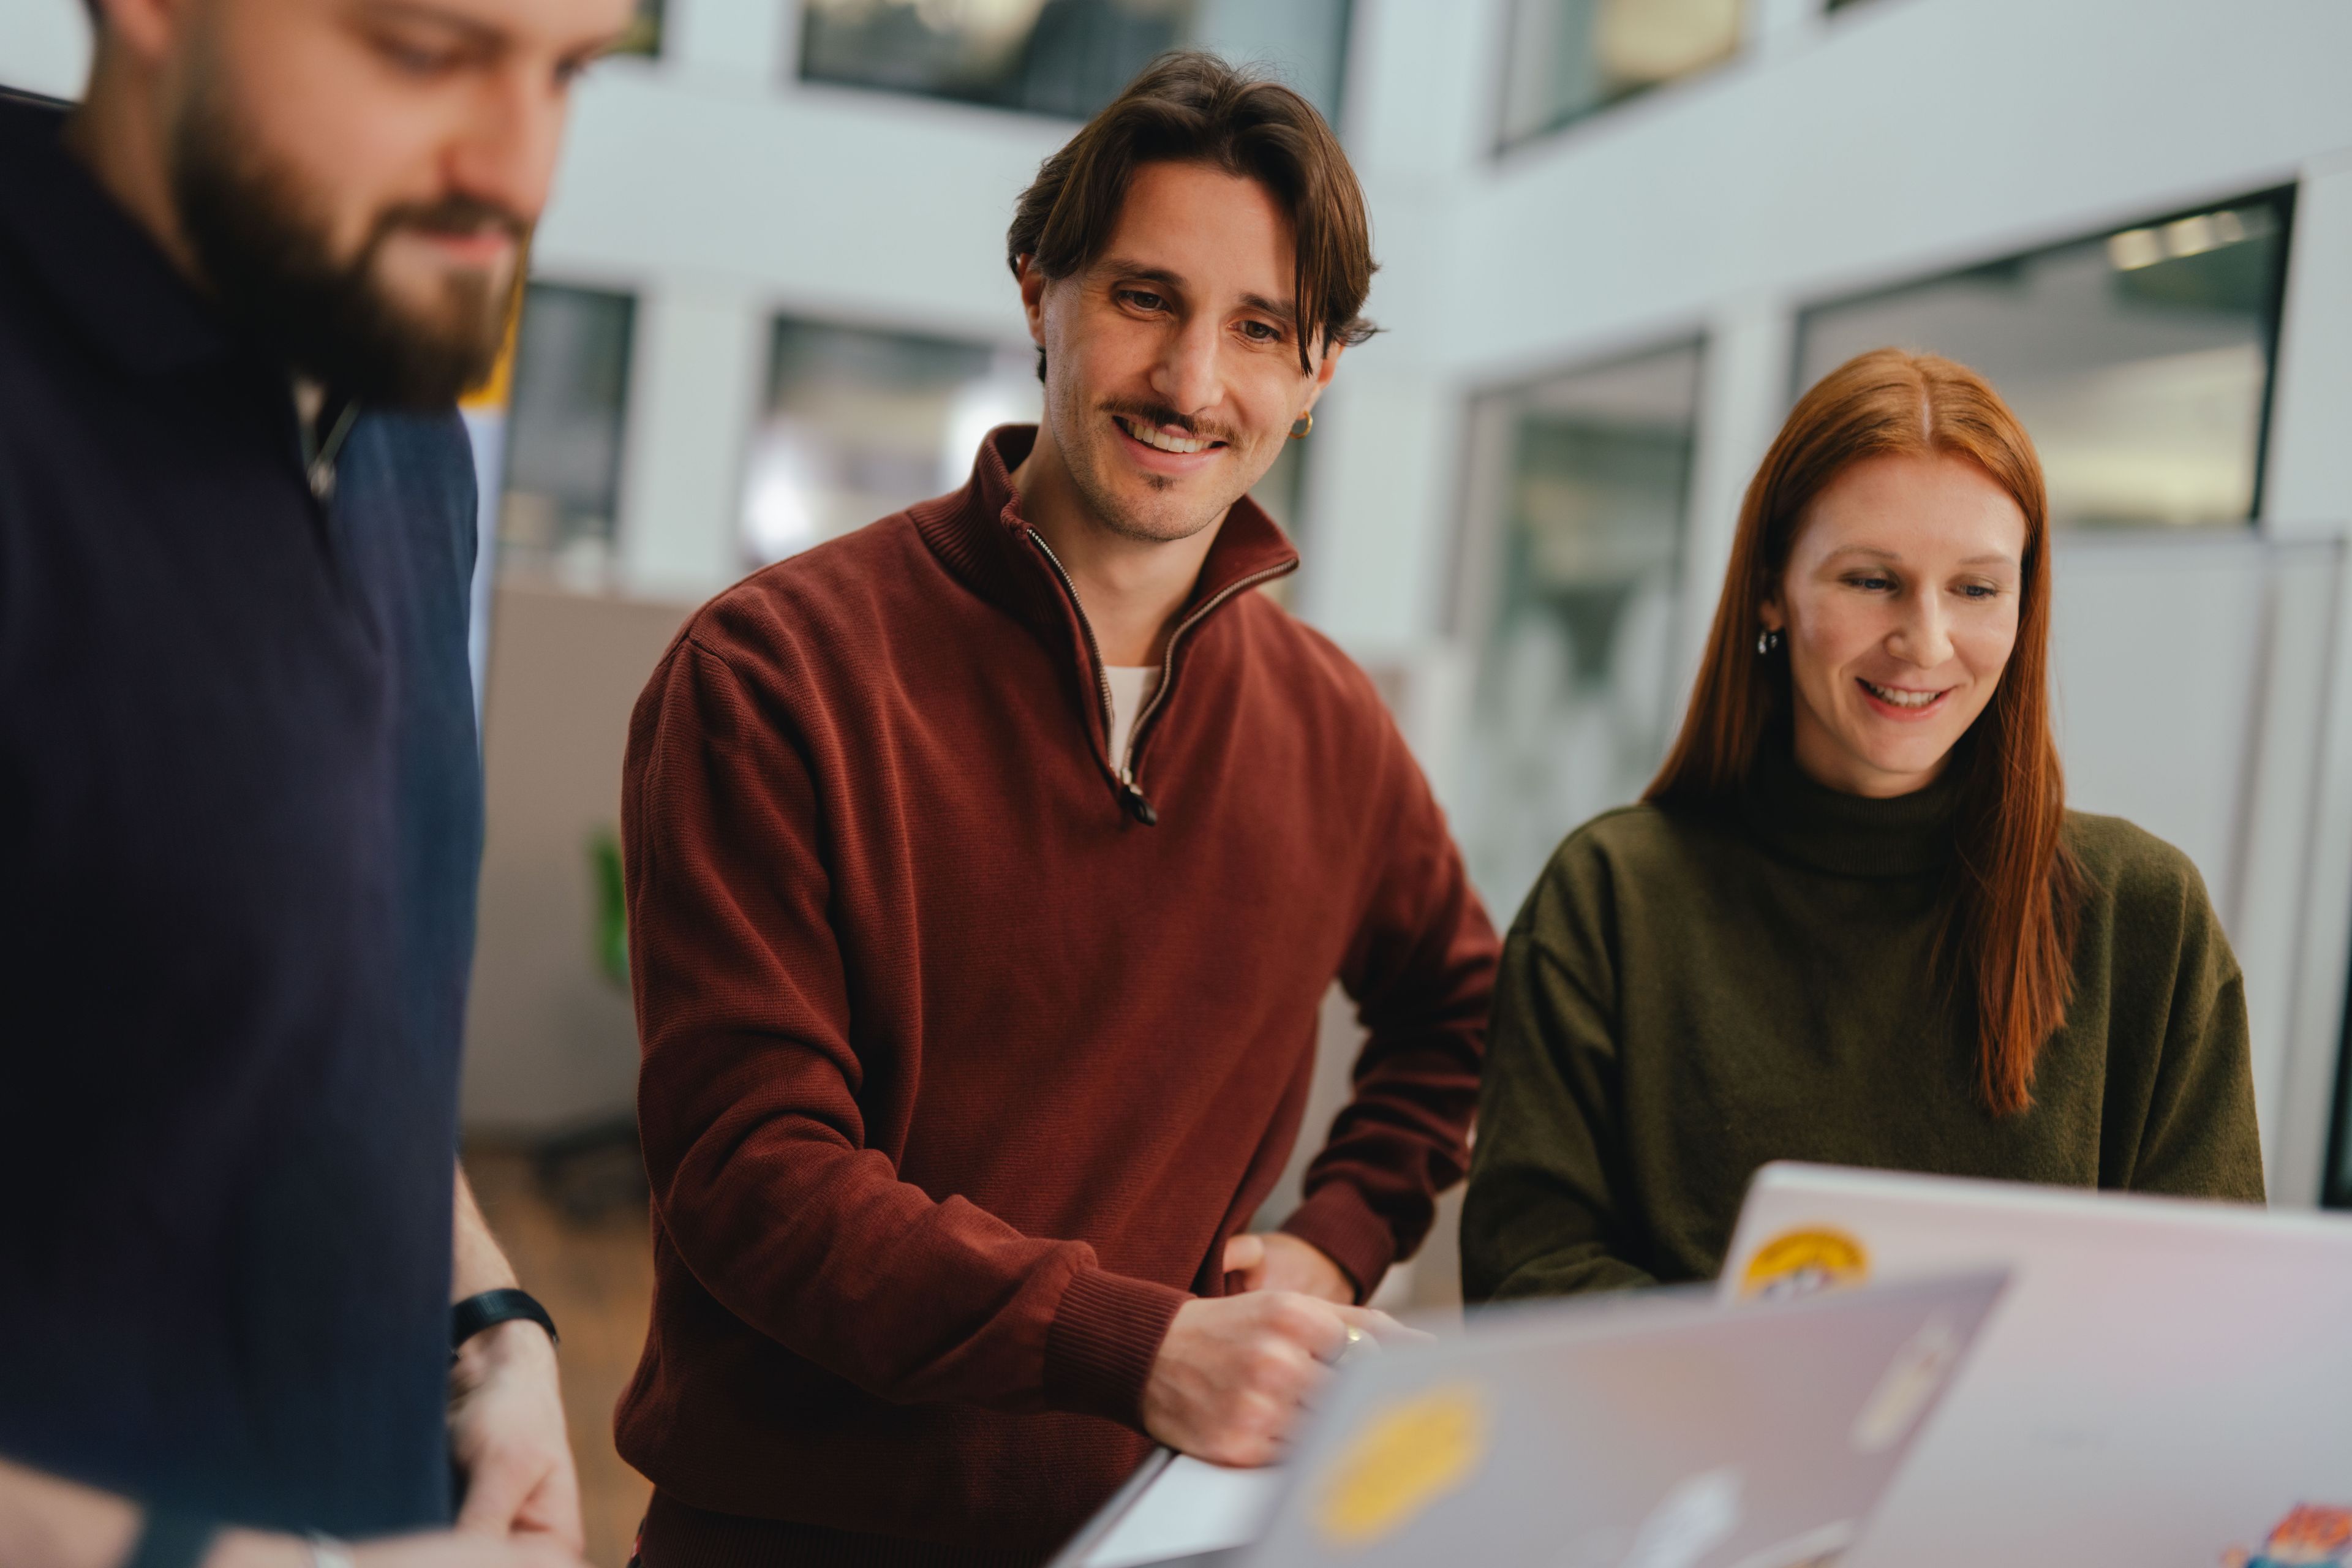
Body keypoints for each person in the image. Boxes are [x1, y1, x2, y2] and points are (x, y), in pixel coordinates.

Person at [616, 52, 1498, 1567]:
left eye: (1259, 329)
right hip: (794, 1534)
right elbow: (751, 1173)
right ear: (1041, 293)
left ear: (1318, 372)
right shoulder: (773, 673)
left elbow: (1466, 1013)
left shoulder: (1330, 722)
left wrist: (1331, 1245)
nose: (1191, 382)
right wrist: (1130, 1343)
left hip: (1165, 1534)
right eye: (1145, 298)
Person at [0, 0, 634, 1564]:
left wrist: (478, 1322)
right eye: (428, 50)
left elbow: (322, 1019)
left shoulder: (404, 416)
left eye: (566, 72)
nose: (519, 165)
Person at [1460, 347, 2266, 1303]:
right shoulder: (1613, 899)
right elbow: (1528, 1275)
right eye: (1872, 580)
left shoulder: (2143, 916)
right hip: (1698, 1451)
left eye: (1976, 589)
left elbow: (2208, 1308)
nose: (1925, 642)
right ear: (1772, 590)